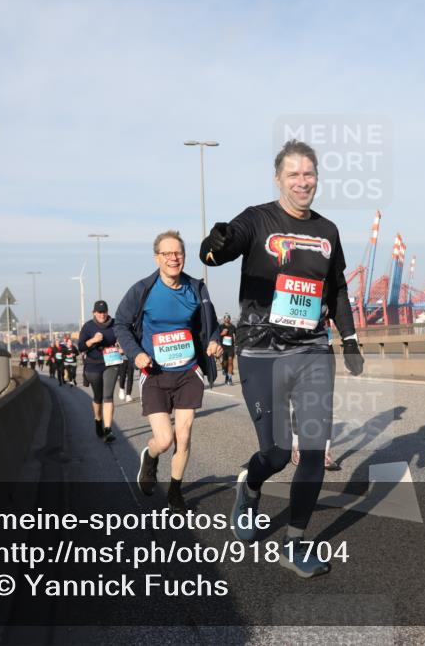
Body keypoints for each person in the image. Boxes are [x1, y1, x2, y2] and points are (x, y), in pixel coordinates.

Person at [200, 139, 364, 578]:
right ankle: (250, 487)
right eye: (293, 174)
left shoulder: (328, 231)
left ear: (317, 178)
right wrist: (213, 245)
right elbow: (218, 251)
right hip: (260, 351)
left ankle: (295, 543)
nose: (302, 182)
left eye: (308, 174)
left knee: (311, 452)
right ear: (278, 179)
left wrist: (348, 338)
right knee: (274, 454)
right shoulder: (257, 220)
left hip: (312, 350)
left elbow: (339, 287)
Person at [115, 230, 222, 513]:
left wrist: (214, 341)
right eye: (167, 254)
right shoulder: (142, 290)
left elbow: (212, 325)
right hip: (155, 373)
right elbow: (121, 325)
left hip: (188, 371)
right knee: (164, 439)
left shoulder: (197, 288)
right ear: (157, 258)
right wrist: (136, 353)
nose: (174, 258)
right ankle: (150, 458)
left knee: (184, 435)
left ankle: (175, 490)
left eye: (178, 253)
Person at [79, 300, 123, 443]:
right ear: (94, 313)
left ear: (107, 312)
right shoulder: (88, 326)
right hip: (93, 365)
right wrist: (92, 340)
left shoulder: (116, 324)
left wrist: (122, 347)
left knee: (108, 396)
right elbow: (80, 347)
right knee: (98, 397)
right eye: (99, 312)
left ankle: (108, 429)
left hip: (111, 362)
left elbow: (124, 338)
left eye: (104, 312)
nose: (102, 314)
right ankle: (98, 419)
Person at [218, 313, 237, 385]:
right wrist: (222, 334)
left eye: (228, 318)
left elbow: (237, 335)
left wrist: (236, 342)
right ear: (223, 319)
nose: (226, 319)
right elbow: (217, 336)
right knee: (225, 363)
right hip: (223, 347)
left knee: (230, 361)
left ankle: (229, 379)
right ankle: (225, 372)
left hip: (231, 347)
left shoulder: (233, 327)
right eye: (225, 318)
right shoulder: (220, 327)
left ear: (230, 319)